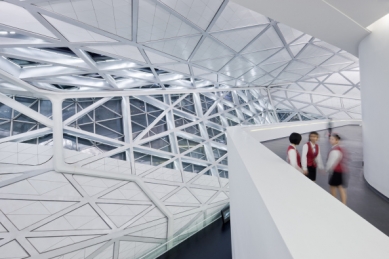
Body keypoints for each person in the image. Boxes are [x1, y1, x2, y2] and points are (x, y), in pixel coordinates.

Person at [326, 133, 347, 204]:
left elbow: (330, 162)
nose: (330, 140)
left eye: (332, 139)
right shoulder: (339, 148)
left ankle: (334, 203)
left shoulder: (335, 150)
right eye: (330, 139)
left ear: (337, 141)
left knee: (332, 187)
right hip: (340, 170)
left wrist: (327, 170)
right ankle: (343, 204)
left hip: (335, 171)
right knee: (340, 187)